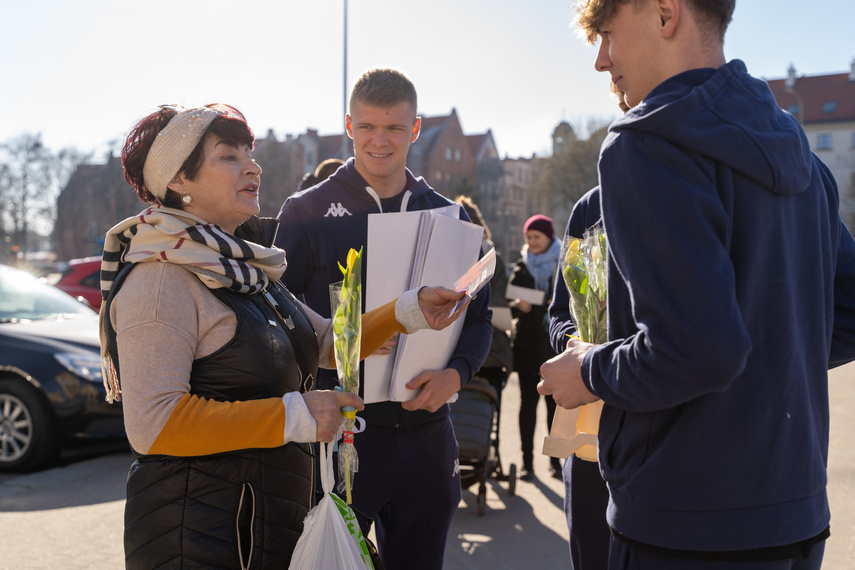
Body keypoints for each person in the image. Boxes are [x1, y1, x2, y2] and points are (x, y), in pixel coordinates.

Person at [538, 1, 855, 568]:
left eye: (607, 35)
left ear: (665, 14)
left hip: (682, 525)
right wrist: (758, 369)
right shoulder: (800, 152)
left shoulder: (645, 144)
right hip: (796, 518)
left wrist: (588, 369)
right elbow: (846, 313)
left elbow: (698, 351)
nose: (601, 61)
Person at [99, 103, 471, 569]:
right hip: (197, 540)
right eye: (227, 156)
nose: (252, 166)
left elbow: (326, 344)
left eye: (249, 153)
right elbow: (153, 424)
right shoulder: (160, 280)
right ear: (178, 180)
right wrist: (294, 415)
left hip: (260, 525)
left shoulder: (249, 269)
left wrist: (409, 309)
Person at [274, 69, 492, 569]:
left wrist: (456, 375)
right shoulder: (304, 212)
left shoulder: (449, 218)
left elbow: (478, 322)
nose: (380, 140)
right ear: (349, 125)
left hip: (427, 435)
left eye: (395, 128)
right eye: (368, 126)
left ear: (415, 130)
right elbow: (275, 322)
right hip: (340, 438)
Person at [548, 81, 630, 570]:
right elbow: (560, 310)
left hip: (659, 429)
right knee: (592, 553)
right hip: (589, 424)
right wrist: (577, 344)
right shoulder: (589, 209)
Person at [508, 214, 562, 480]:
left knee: (554, 408)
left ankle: (555, 463)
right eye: (528, 237)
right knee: (527, 405)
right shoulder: (521, 267)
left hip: (554, 349)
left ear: (549, 237)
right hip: (528, 348)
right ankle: (527, 463)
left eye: (536, 237)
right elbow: (509, 304)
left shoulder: (562, 266)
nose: (531, 242)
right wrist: (518, 306)